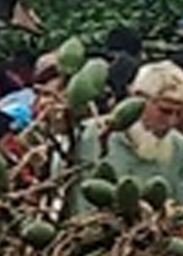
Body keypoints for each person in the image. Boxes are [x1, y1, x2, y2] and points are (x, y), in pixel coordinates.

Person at [75, 60, 183, 191]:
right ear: (137, 99)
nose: (172, 121)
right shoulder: (87, 136)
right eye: (165, 111)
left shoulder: (178, 147)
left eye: (180, 113)